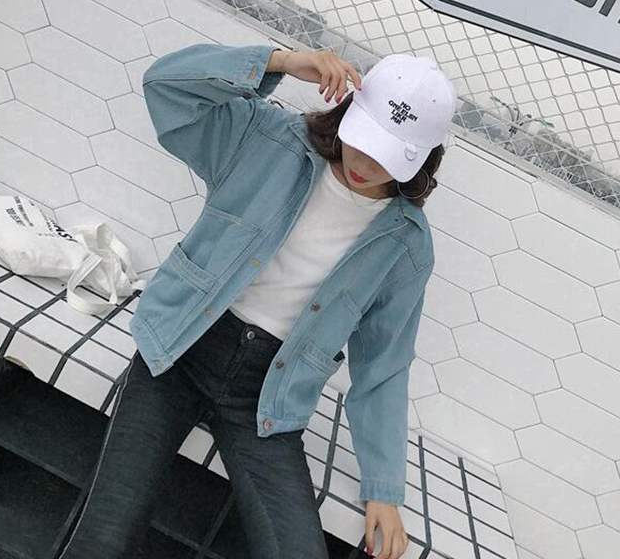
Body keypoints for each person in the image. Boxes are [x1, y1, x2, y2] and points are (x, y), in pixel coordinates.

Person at [56, 43, 456, 559]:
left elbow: (384, 365)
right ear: (349, 111)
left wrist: (383, 489)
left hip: (267, 398)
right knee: (105, 539)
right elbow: (164, 88)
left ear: (422, 158)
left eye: (391, 154)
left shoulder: (406, 245)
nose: (367, 162)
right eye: (366, 138)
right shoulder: (268, 139)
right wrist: (279, 62)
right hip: (179, 353)